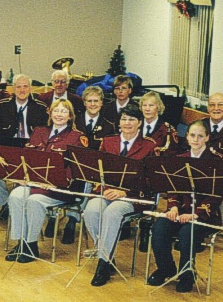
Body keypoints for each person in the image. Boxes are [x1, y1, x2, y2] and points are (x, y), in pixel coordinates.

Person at [146, 120, 223, 293]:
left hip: (205, 215)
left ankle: (186, 274)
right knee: (159, 228)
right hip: (180, 212)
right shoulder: (179, 159)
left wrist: (195, 214)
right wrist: (173, 207)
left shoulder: (216, 161)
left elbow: (216, 195)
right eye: (192, 135)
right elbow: (173, 188)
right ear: (187, 137)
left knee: (186, 233)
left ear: (207, 138)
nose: (196, 139)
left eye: (200, 136)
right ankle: (166, 269)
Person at [4, 99, 87, 263]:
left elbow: (77, 169)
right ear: (50, 113)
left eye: (64, 111)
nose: (59, 114)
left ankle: (31, 245)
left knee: (34, 201)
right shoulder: (39, 132)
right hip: (34, 182)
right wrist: (22, 176)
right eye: (56, 110)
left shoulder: (76, 137)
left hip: (59, 187)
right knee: (15, 196)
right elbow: (26, 157)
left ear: (70, 116)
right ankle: (21, 242)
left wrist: (56, 182)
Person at [82, 104, 157, 287]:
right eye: (124, 119)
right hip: (108, 190)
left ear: (139, 123)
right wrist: (106, 188)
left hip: (133, 196)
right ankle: (107, 256)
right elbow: (99, 170)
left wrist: (124, 192)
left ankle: (103, 263)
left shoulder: (149, 146)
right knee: (91, 210)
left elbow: (151, 180)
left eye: (132, 119)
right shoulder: (108, 142)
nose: (127, 123)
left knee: (112, 212)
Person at [0, 74, 49, 220]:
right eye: (18, 86)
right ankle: (5, 204)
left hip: (31, 150)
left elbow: (46, 134)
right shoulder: (3, 105)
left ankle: (21, 203)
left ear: (30, 88)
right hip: (8, 149)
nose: (22, 90)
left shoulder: (40, 107)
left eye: (25, 86)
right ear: (13, 89)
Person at [75, 86, 115, 150]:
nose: (92, 104)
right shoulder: (74, 122)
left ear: (101, 102)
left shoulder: (108, 127)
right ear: (84, 102)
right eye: (89, 101)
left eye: (96, 101)